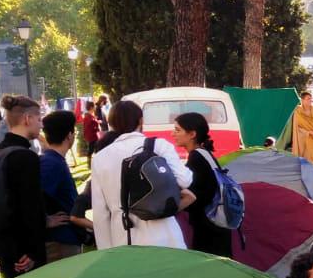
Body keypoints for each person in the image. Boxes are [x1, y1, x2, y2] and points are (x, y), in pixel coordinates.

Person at [89, 100, 196, 250]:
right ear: (141, 121)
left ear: (110, 124)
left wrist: (106, 250)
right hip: (164, 233)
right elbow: (185, 180)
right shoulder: (159, 145)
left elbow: (101, 213)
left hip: (123, 236)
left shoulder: (100, 158)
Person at [0, 95, 48, 278]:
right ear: (27, 119)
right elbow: (29, 207)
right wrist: (33, 251)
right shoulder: (25, 157)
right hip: (25, 252)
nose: (41, 125)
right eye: (39, 119)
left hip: (4, 244)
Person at [172, 112, 233, 257]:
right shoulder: (204, 154)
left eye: (178, 130)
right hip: (216, 224)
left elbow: (197, 196)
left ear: (192, 134)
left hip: (208, 228)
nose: (173, 133)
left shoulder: (197, 157)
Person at [38, 111, 89, 261]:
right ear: (69, 135)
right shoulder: (51, 163)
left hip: (66, 237)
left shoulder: (54, 160)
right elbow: (34, 197)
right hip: (60, 242)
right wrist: (45, 220)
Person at [79, 100, 100, 165]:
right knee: (91, 150)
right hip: (91, 136)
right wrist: (96, 122)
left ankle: (94, 162)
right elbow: (90, 125)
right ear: (91, 107)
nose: (95, 108)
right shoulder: (88, 116)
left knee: (95, 149)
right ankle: (90, 163)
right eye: (94, 107)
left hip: (93, 136)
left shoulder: (89, 116)